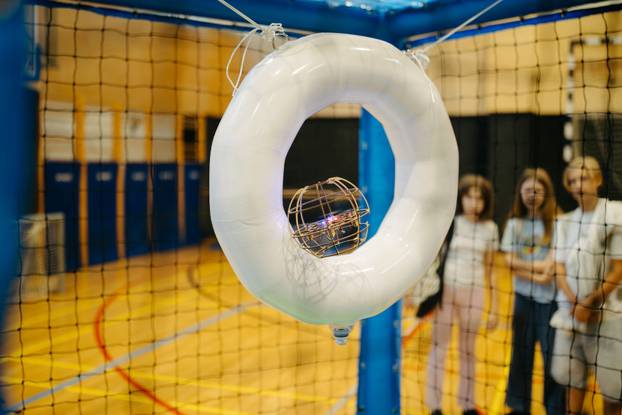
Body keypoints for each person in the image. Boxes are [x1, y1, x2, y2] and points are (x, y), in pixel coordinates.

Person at [549, 156, 622, 415]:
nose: (577, 185)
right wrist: (575, 302)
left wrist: (590, 302)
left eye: (583, 178)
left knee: (613, 392)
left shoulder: (614, 214)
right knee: (572, 381)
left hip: (606, 317)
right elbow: (558, 269)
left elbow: (618, 269)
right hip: (570, 317)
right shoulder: (564, 222)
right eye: (572, 181)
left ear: (598, 180)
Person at [426, 174, 499, 415]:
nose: (474, 203)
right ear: (461, 198)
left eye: (479, 198)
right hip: (447, 293)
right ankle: (435, 405)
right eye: (469, 197)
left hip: (474, 294)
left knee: (468, 350)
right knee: (439, 348)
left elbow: (491, 271)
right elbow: (433, 260)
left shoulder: (490, 229)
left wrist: (494, 309)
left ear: (486, 201)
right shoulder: (451, 223)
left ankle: (468, 405)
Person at [501, 168, 565, 414]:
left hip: (550, 303)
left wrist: (524, 267)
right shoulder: (514, 224)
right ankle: (519, 407)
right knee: (521, 355)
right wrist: (538, 274)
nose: (532, 195)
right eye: (527, 190)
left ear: (546, 193)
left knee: (552, 358)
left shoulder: (557, 223)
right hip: (523, 301)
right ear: (520, 193)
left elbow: (551, 265)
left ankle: (555, 408)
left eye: (537, 190)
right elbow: (509, 262)